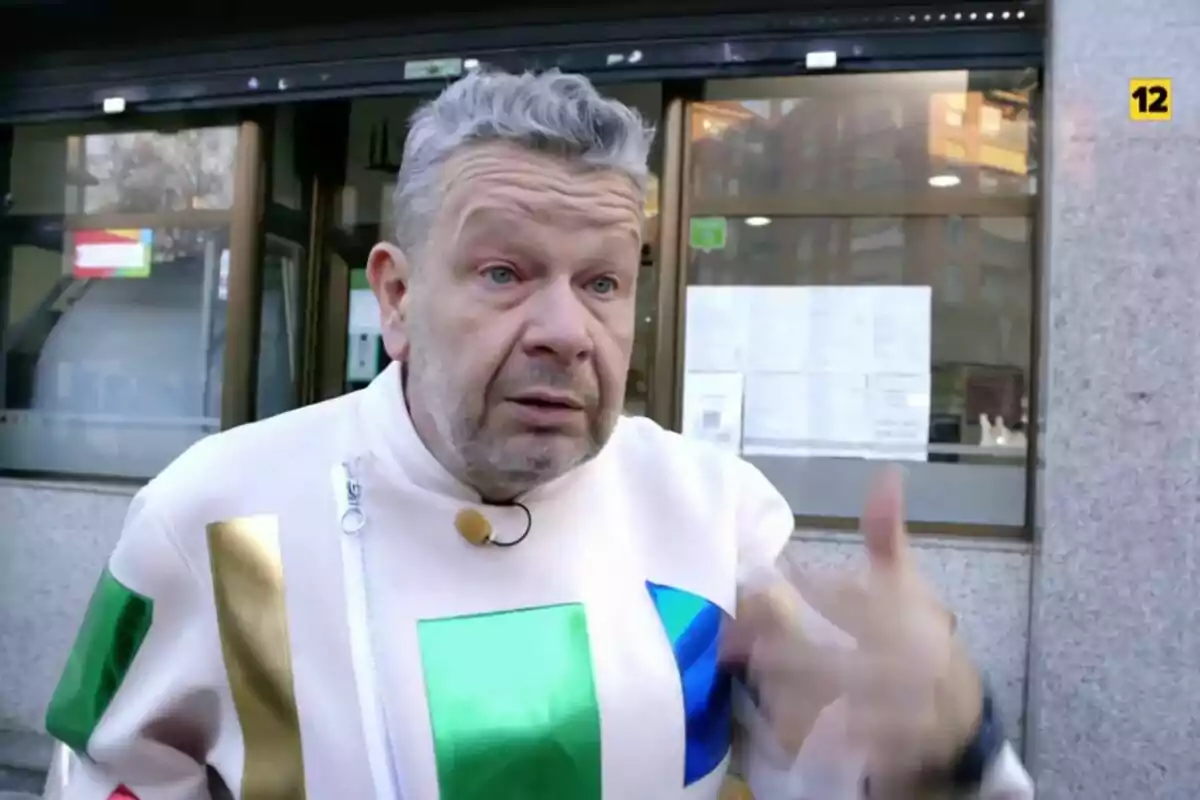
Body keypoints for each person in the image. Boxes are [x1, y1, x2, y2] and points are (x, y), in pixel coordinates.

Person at [43, 69, 1034, 799]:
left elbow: (829, 772)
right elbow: (111, 776)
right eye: (504, 272)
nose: (567, 331)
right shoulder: (208, 516)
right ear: (394, 294)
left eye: (602, 281)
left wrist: (950, 745)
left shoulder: (712, 509)